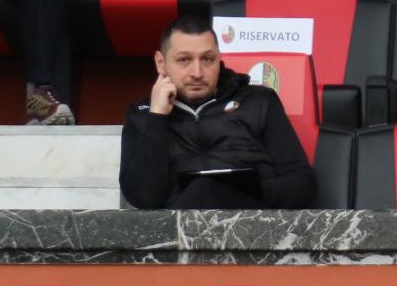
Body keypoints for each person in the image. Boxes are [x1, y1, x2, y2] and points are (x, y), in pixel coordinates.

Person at [119, 17, 317, 210]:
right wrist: (157, 118)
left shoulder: (258, 100)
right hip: (179, 226)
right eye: (184, 60)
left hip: (251, 220)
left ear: (219, 58)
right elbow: (143, 198)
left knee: (206, 190)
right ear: (161, 63)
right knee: (201, 191)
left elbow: (303, 184)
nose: (197, 72)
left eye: (207, 59)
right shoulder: (142, 117)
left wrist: (246, 191)